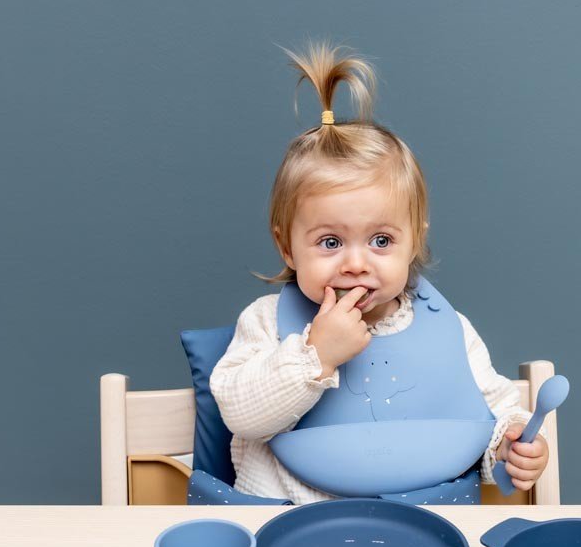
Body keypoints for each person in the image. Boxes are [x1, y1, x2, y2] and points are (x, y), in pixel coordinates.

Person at [210, 39, 549, 505]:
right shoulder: (267, 321)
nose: (355, 263)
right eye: (330, 242)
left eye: (382, 241)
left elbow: (485, 413)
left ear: (415, 240)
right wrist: (315, 356)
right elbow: (240, 412)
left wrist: (511, 443)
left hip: (422, 532)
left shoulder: (449, 329)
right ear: (286, 246)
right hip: (288, 527)